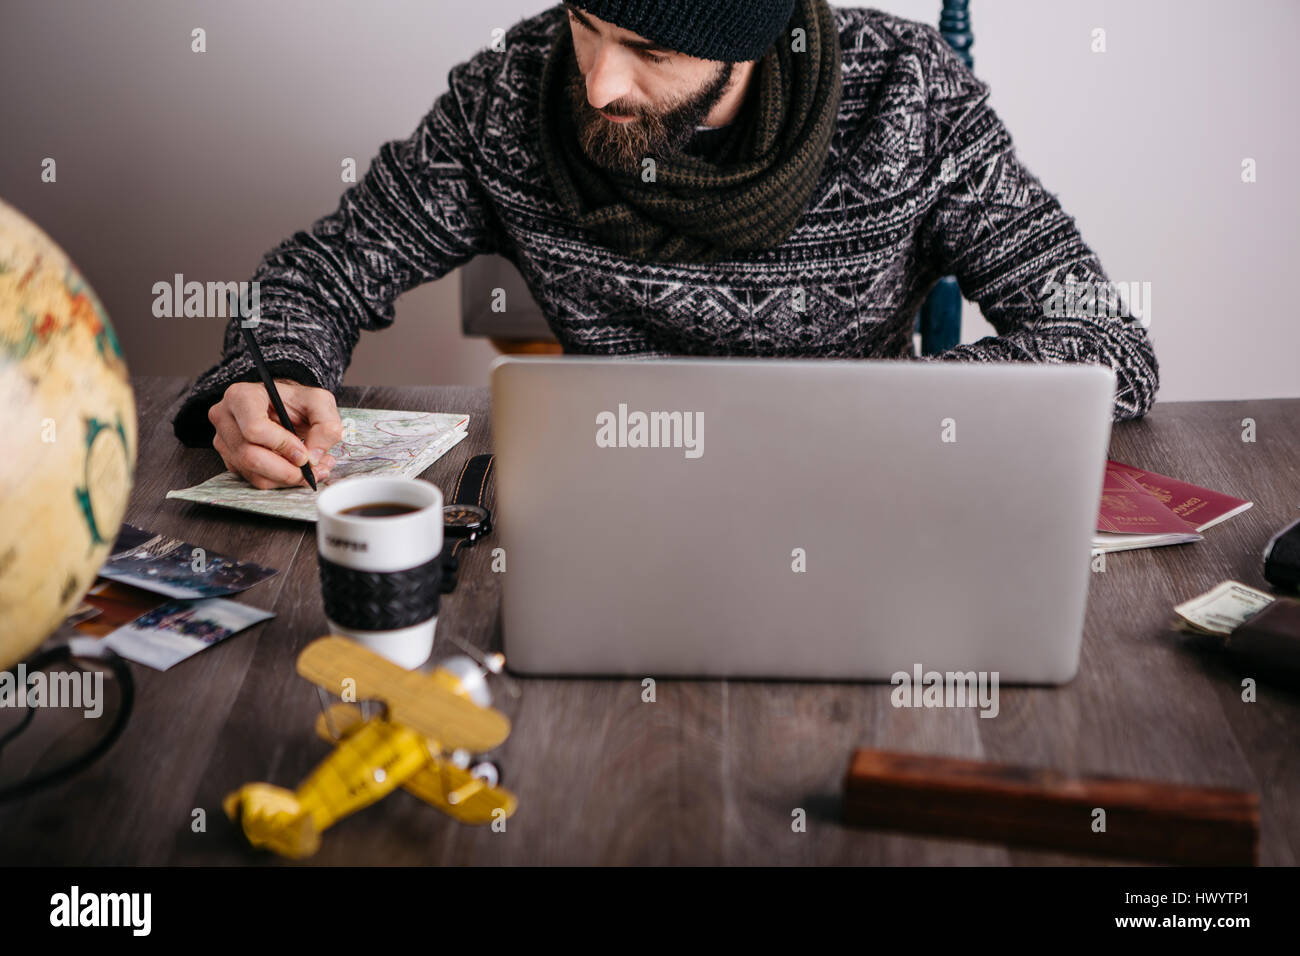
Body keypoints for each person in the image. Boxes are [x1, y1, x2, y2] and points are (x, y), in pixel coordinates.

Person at [173, 0, 1159, 488]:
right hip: (608, 502)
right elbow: (316, 275)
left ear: (754, 41)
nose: (597, 83)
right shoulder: (512, 96)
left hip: (861, 495)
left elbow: (1107, 340)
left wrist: (907, 412)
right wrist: (274, 370)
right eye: (588, 24)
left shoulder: (908, 94)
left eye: (649, 51)